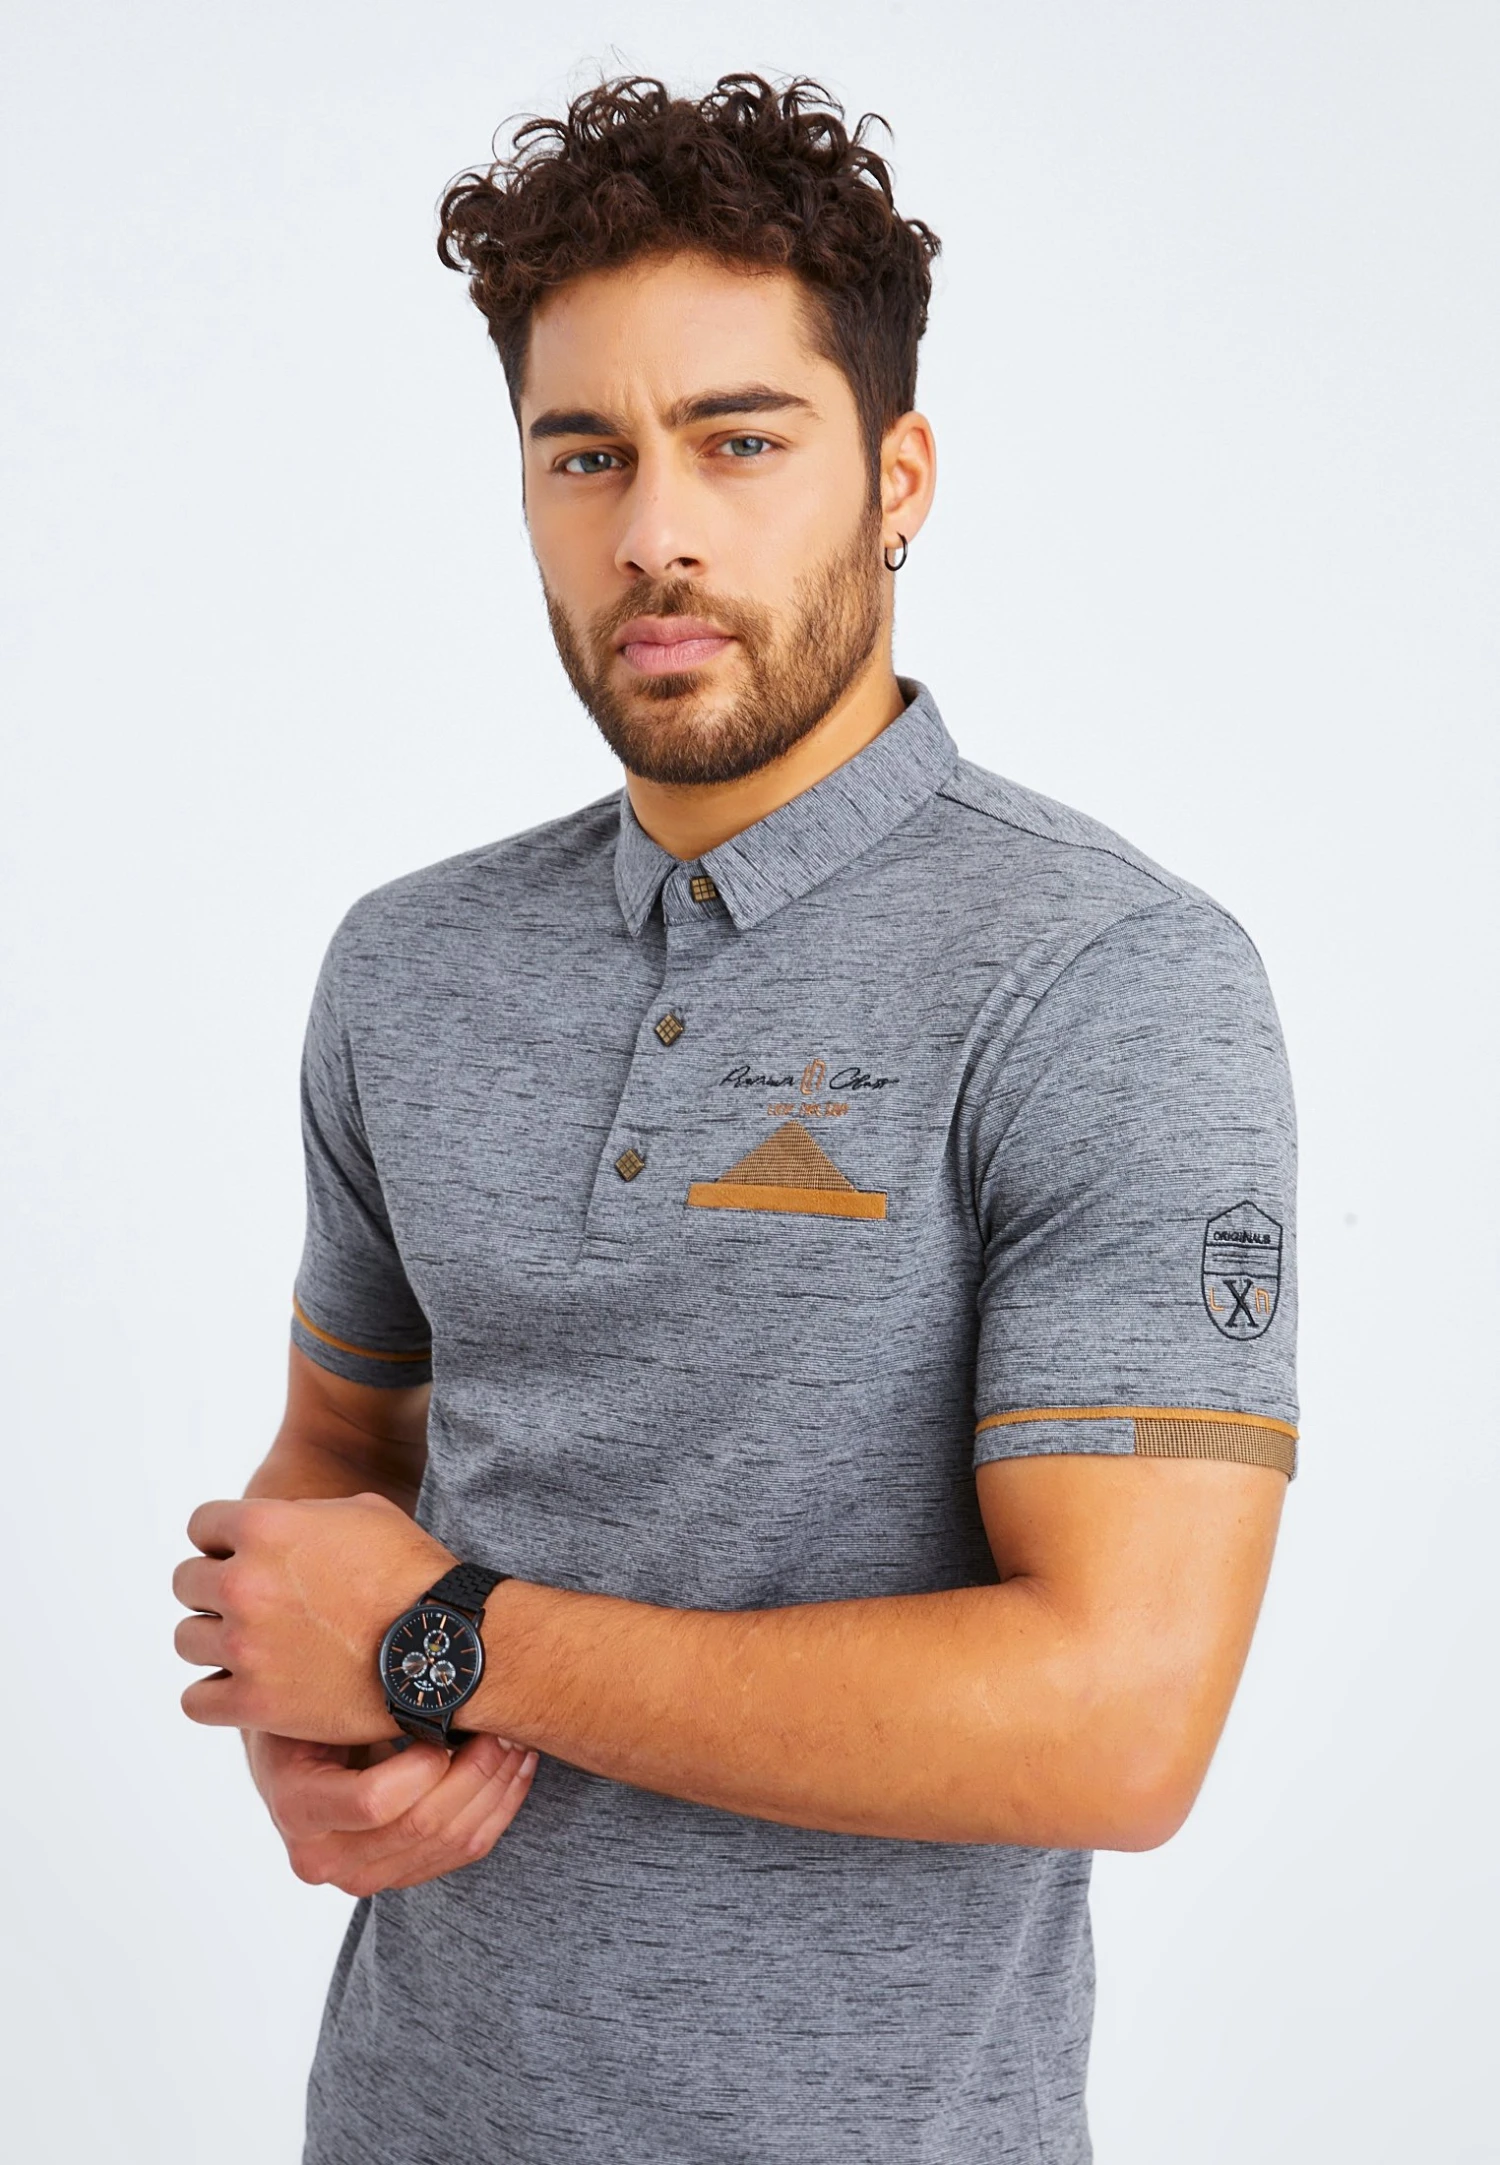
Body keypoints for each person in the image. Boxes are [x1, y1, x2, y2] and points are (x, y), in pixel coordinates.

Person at [173, 73, 1299, 2165]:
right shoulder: (408, 965)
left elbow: (1118, 1719)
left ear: (898, 477)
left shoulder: (1109, 977)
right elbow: (336, 1463)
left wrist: (442, 1640)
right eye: (585, 452)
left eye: (741, 441)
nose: (654, 533)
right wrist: (295, 1734)